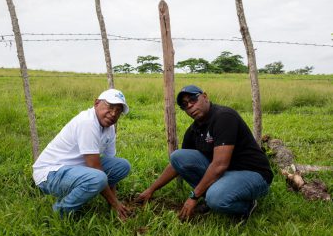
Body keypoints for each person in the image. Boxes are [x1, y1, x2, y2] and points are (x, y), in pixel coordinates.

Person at [137, 85, 273, 220]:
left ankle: (246, 206)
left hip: (253, 174)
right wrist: (151, 190)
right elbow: (176, 165)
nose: (190, 106)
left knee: (216, 198)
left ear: (205, 96)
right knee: (178, 156)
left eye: (193, 99)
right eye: (185, 105)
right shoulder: (194, 130)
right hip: (226, 173)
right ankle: (213, 195)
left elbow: (220, 165)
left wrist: (193, 196)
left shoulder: (224, 117)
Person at [33, 89, 131, 220]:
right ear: (96, 103)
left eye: (118, 111)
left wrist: (113, 204)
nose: (113, 114)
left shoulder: (110, 128)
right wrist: (115, 204)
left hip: (77, 170)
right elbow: (95, 168)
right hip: (50, 174)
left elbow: (109, 165)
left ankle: (85, 190)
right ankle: (59, 213)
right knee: (98, 177)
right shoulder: (87, 122)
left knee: (122, 166)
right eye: (110, 107)